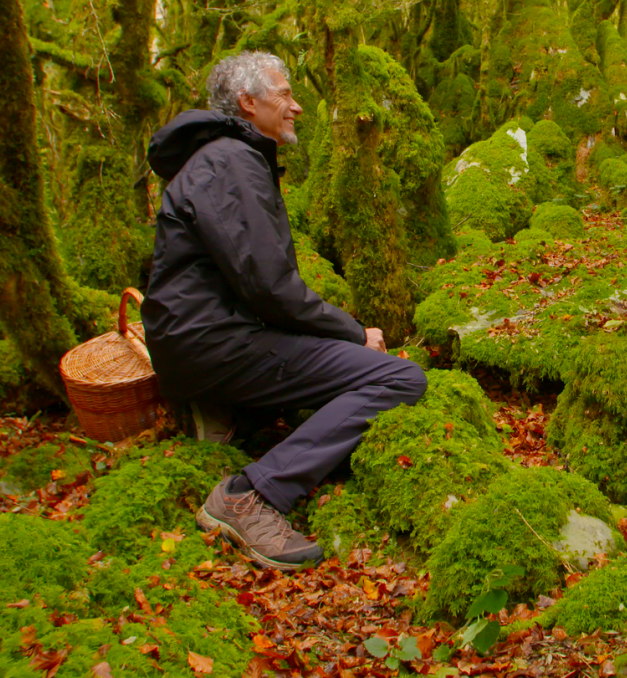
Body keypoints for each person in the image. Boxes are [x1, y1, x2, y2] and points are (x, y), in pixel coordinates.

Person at [141, 51, 427, 570]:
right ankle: (249, 495)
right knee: (399, 380)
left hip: (198, 342)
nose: (295, 106)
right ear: (248, 103)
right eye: (285, 95)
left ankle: (226, 408)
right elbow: (270, 286)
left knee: (333, 364)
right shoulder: (230, 161)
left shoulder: (221, 157)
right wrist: (355, 332)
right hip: (212, 343)